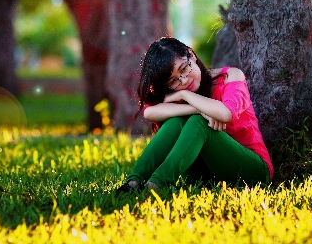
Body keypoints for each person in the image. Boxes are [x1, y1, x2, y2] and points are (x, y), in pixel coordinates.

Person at [116, 37, 273, 194]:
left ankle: (157, 184)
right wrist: (198, 109)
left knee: (198, 123)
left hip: (252, 172)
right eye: (174, 81)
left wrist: (185, 95)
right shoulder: (178, 94)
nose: (183, 80)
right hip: (205, 179)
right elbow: (150, 112)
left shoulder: (230, 76)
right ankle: (133, 182)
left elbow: (226, 113)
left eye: (184, 69)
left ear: (191, 55)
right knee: (176, 121)